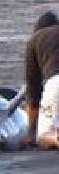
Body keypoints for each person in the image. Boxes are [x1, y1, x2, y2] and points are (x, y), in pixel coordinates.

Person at [25, 11, 59, 149]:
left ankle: (55, 138)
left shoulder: (35, 39)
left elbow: (33, 91)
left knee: (43, 138)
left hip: (56, 81)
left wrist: (31, 132)